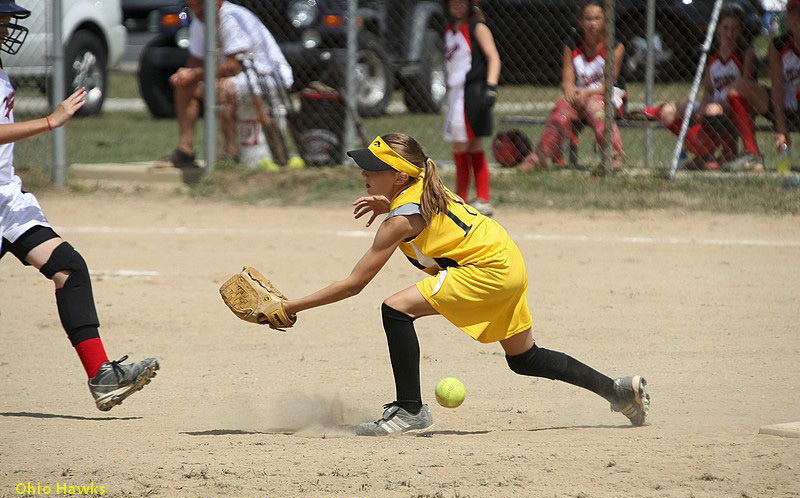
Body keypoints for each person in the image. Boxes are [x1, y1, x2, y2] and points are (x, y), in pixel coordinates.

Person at [278, 133, 650, 436]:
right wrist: (389, 204)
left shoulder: (403, 217)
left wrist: (290, 306)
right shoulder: (424, 186)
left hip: (486, 270)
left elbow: (353, 285)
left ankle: (409, 411)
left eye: (375, 169)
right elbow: (414, 210)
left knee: (395, 309)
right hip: (507, 261)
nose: (365, 173)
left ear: (401, 177)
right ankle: (616, 390)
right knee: (525, 358)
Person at [0, 1, 159, 411]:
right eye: (0, 20)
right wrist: (50, 121)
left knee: (69, 269)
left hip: (8, 202)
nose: (6, 28)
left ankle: (102, 375)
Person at [167, 0, 293, 167]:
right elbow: (195, 61)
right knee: (185, 85)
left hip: (266, 74)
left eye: (200, 4)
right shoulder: (199, 22)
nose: (196, 10)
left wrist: (195, 74)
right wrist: (186, 75)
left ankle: (230, 153)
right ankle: (186, 149)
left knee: (225, 87)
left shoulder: (231, 17)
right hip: (240, 78)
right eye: (191, 6)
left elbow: (233, 67)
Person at [642, 5, 756, 170]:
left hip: (735, 107)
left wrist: (710, 107)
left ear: (741, 31)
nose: (730, 34)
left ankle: (728, 151)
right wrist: (703, 105)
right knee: (668, 114)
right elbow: (708, 91)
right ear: (717, 28)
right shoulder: (712, 56)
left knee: (711, 111)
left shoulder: (745, 54)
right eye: (725, 28)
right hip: (713, 106)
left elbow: (746, 91)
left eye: (735, 29)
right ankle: (701, 152)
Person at [521, 0, 625, 172]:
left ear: (605, 21)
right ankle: (543, 154)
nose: (593, 23)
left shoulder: (615, 46)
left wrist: (586, 93)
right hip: (579, 96)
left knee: (595, 107)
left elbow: (608, 85)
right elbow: (567, 80)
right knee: (562, 107)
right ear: (580, 21)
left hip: (607, 95)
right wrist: (569, 90)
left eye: (598, 18)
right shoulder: (572, 44)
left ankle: (613, 156)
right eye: (588, 18)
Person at [721, 0, 800, 171]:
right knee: (738, 88)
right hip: (787, 106)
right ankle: (753, 155)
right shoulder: (778, 45)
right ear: (788, 17)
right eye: (795, 13)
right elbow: (777, 86)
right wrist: (781, 127)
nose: (798, 19)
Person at [443, 0, 501, 217]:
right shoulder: (450, 30)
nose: (457, 6)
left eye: (462, 2)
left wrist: (491, 87)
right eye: (452, 2)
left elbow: (494, 57)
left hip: (472, 90)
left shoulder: (477, 27)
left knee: (468, 145)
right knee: (467, 146)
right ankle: (470, 199)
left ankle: (470, 198)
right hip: (456, 92)